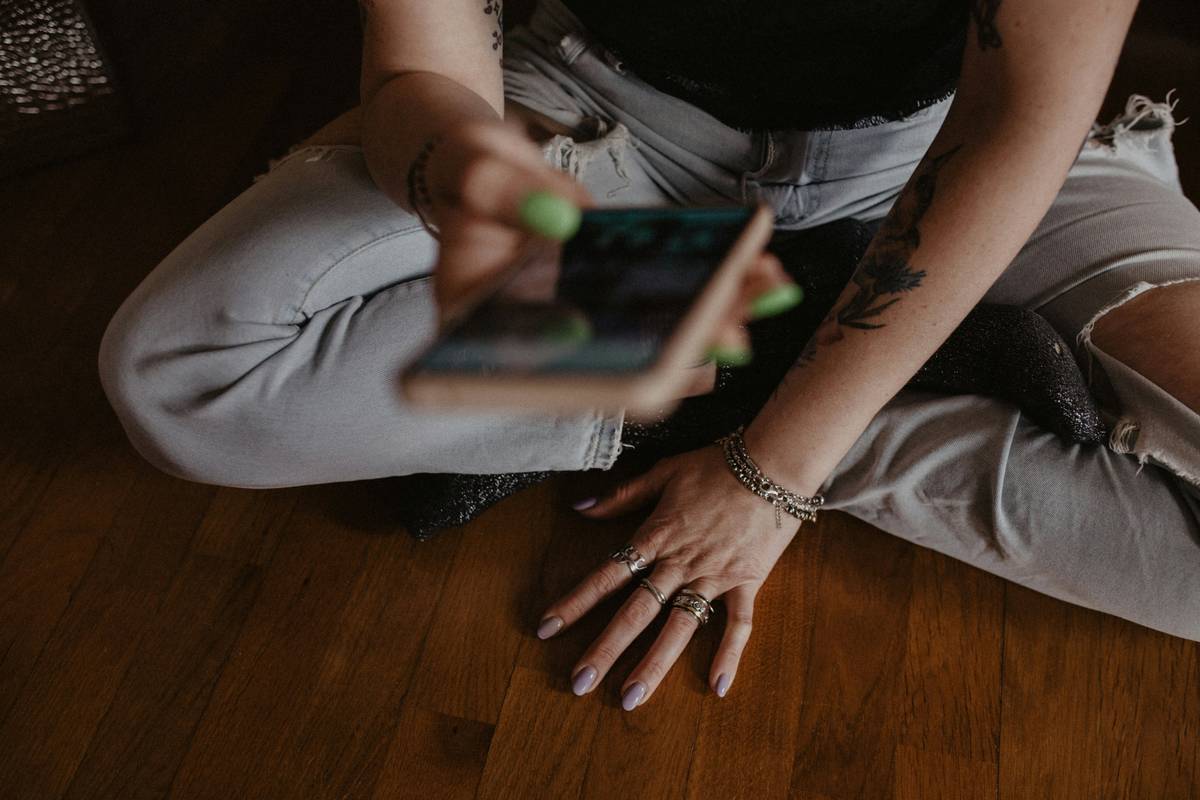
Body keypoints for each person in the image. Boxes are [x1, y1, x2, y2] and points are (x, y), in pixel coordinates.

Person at [99, 0, 1200, 713]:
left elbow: (1015, 116)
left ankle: (804, 389)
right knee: (183, 379)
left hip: (980, 167)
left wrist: (769, 476)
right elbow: (417, 74)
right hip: (610, 122)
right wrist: (464, 171)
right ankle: (784, 336)